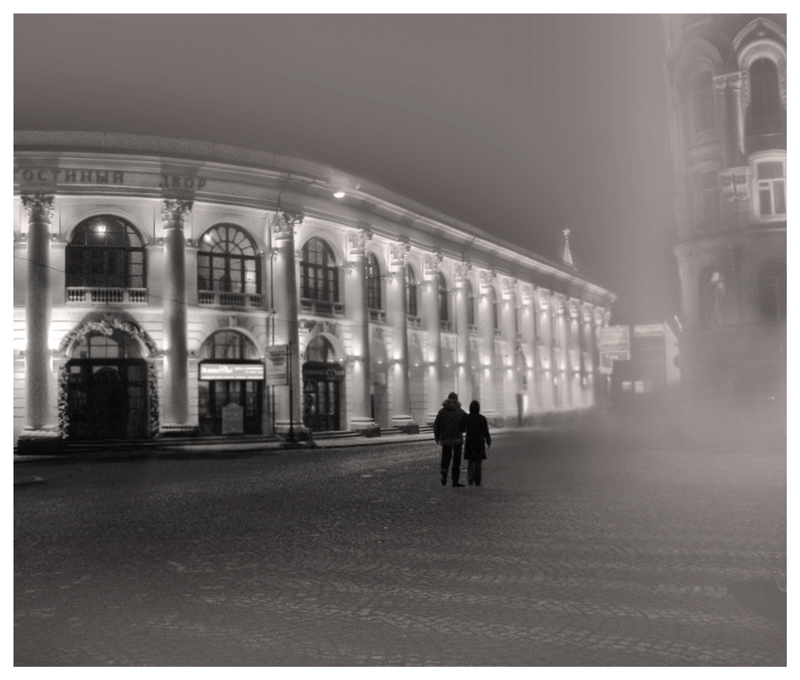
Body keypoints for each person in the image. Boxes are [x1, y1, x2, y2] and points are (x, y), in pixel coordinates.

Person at [433, 392, 467, 487]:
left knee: (446, 458)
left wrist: (437, 437)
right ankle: (455, 481)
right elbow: (464, 427)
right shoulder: (461, 412)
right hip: (457, 439)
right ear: (457, 400)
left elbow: (436, 425)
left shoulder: (442, 412)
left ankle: (444, 470)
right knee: (456, 461)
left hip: (445, 439)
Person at [463, 400, 491, 487]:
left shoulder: (467, 418)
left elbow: (462, 428)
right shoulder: (482, 419)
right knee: (478, 462)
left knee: (470, 462)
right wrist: (488, 441)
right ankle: (478, 480)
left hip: (470, 442)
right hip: (479, 443)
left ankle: (470, 478)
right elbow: (486, 431)